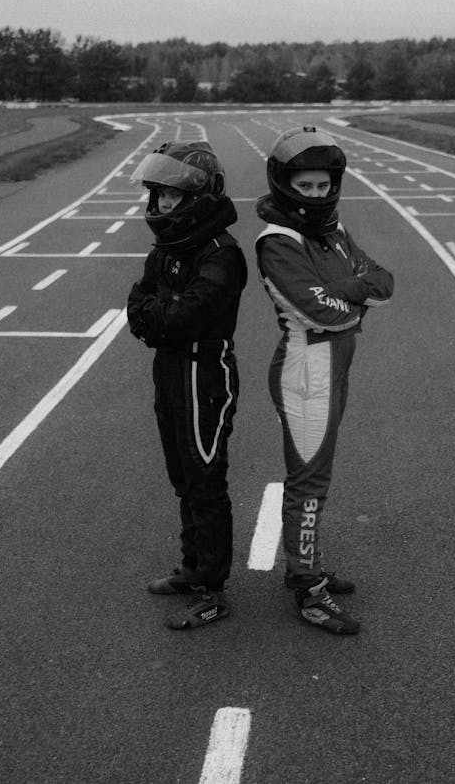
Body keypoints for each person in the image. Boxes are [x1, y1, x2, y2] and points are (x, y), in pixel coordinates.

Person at [254, 127, 394, 635]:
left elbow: (383, 282)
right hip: (305, 369)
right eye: (305, 186)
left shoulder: (333, 231)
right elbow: (325, 313)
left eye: (322, 185)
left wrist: (344, 293)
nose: (315, 194)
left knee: (320, 477)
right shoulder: (277, 241)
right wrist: (348, 296)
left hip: (335, 364)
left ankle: (307, 566)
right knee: (308, 482)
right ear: (285, 183)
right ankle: (306, 588)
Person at [127, 141, 248, 630]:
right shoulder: (168, 249)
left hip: (205, 371)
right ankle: (192, 565)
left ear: (197, 198)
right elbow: (139, 303)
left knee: (204, 476)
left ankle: (211, 586)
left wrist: (156, 316)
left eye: (172, 197)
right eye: (158, 196)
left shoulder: (223, 254)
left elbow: (183, 315)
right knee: (182, 474)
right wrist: (156, 317)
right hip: (170, 368)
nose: (161, 205)